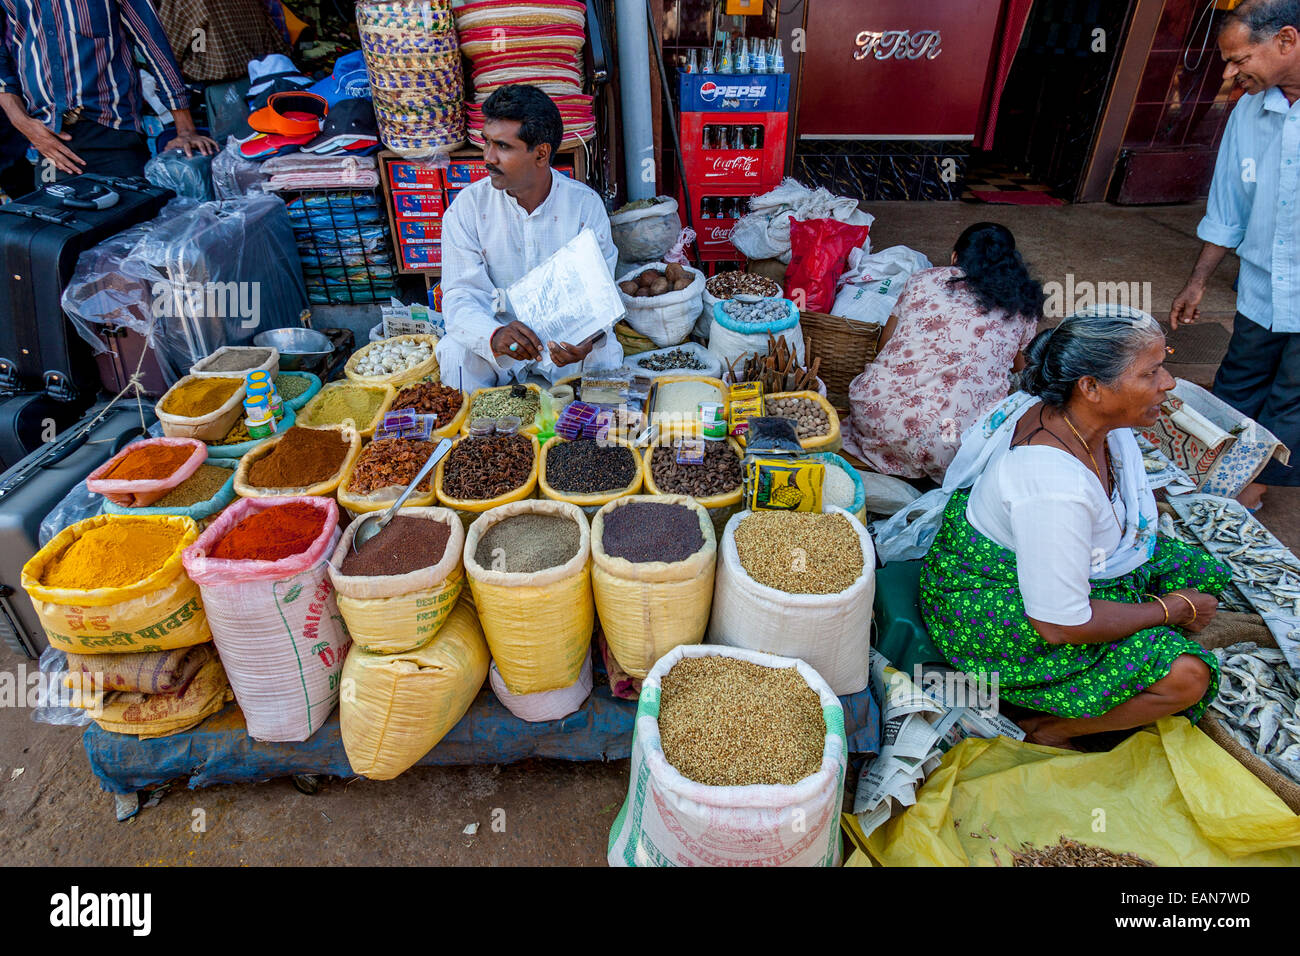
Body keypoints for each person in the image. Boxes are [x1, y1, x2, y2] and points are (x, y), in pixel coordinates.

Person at [910, 309, 1227, 748]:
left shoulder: (1073, 416)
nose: (1168, 383)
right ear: (1091, 387)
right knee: (1187, 676)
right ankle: (1051, 729)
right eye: (1151, 373)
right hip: (994, 611)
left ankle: (1130, 632)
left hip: (1044, 567)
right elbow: (1060, 625)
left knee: (1204, 573)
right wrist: (1169, 610)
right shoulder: (1053, 486)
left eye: (1163, 366)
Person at [1170, 0, 1300, 511]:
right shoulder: (1250, 110)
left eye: (1240, 58)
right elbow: (1229, 205)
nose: (1230, 72)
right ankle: (1222, 472)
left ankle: (1256, 488)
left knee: (1293, 393)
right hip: (1264, 285)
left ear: (1286, 41)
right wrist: (1199, 280)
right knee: (1238, 381)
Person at [437, 84, 623, 394]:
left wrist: (586, 339)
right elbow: (459, 294)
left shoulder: (583, 206)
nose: (488, 157)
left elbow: (600, 296)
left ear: (541, 154)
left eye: (503, 147)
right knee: (454, 353)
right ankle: (472, 436)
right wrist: (493, 335)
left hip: (564, 342)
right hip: (498, 342)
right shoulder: (467, 208)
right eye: (487, 143)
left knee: (606, 354)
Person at [845, 223, 1043, 483]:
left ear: (954, 258)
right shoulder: (1021, 306)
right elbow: (1018, 367)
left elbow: (884, 345)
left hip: (876, 417)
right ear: (1010, 262)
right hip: (949, 443)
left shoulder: (922, 279)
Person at [0, 0, 217, 187]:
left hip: (112, 131)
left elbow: (153, 42)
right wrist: (24, 124)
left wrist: (185, 129)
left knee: (131, 226)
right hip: (48, 141)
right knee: (55, 230)